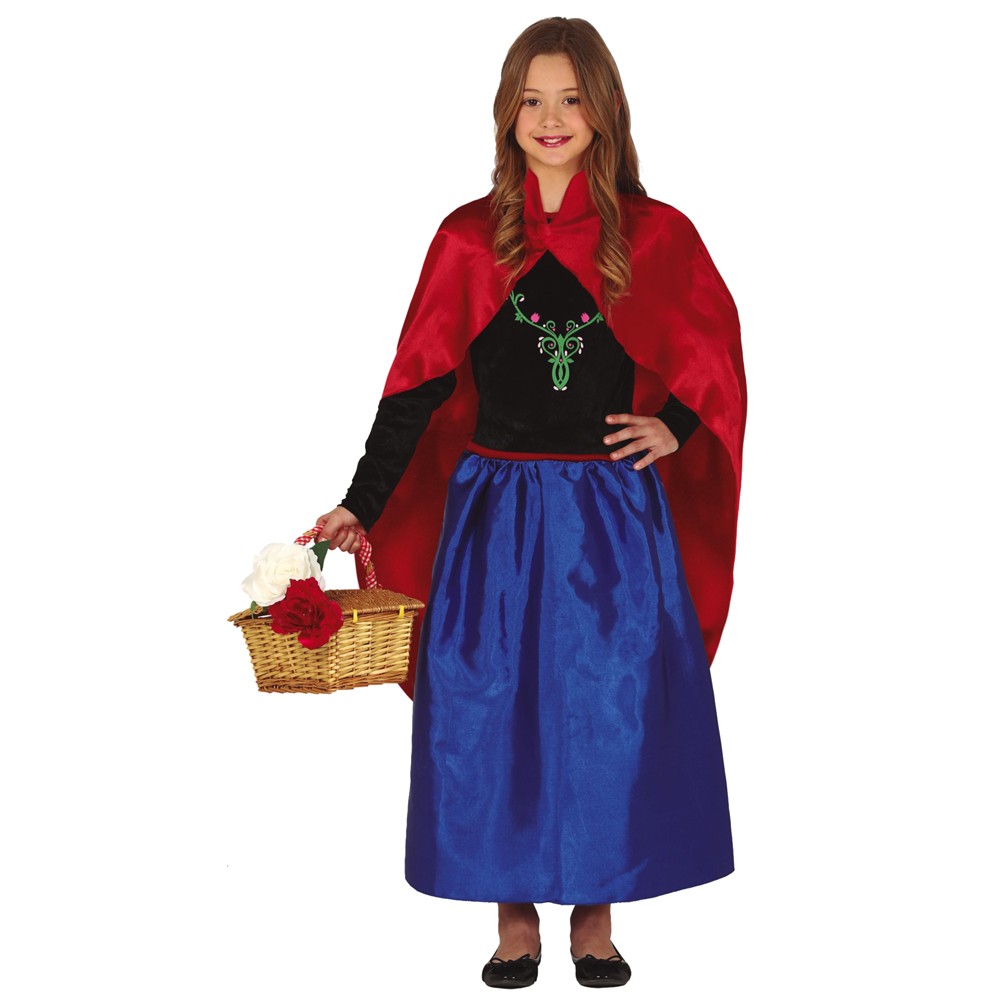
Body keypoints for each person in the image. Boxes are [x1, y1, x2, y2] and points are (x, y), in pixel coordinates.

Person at [314, 16, 746, 990]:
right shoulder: (470, 239)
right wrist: (358, 503)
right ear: (507, 113)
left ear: (604, 110)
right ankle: (513, 917)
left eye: (571, 98)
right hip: (496, 516)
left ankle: (595, 913)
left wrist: (675, 425)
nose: (551, 118)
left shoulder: (653, 234)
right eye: (531, 99)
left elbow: (710, 348)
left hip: (610, 514)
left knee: (607, 707)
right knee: (490, 700)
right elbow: (416, 386)